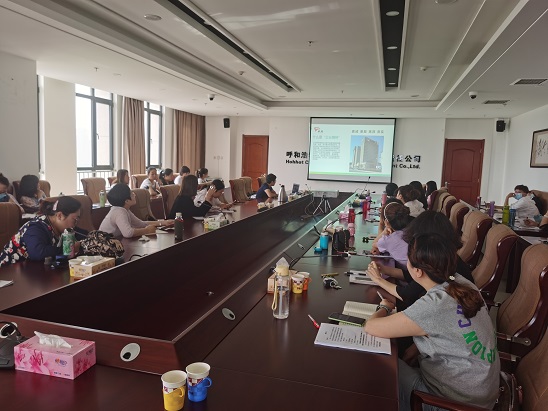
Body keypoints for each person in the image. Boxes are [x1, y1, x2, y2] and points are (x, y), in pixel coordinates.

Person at [365, 233, 500, 411]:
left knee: (376, 359)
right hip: (480, 396)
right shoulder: (463, 284)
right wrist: (417, 346)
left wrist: (385, 306)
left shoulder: (434, 305)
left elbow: (371, 327)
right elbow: (451, 327)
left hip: (450, 403)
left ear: (417, 271)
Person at [0, 196, 82, 266]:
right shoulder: (36, 227)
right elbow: (37, 253)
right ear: (60, 216)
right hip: (10, 272)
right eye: (75, 219)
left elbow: (82, 235)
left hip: (32, 271)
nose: (76, 223)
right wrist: (70, 248)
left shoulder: (59, 226)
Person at [99, 184, 170, 238]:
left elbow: (140, 224)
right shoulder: (119, 211)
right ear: (127, 201)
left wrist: (163, 223)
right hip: (103, 246)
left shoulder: (124, 209)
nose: (134, 195)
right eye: (131, 194)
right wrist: (147, 230)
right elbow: (128, 233)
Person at [371, 202, 411, 268]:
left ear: (386, 222)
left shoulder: (387, 240)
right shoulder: (412, 229)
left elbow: (374, 244)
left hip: (408, 271)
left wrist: (385, 230)